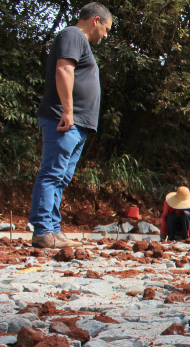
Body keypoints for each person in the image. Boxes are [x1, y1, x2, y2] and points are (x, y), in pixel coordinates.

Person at [29, 3, 113, 249]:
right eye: (106, 29)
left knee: (61, 178)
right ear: (96, 20)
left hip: (78, 124)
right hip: (64, 118)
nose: (105, 35)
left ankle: (54, 230)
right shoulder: (73, 35)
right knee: (52, 173)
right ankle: (43, 231)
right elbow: (64, 69)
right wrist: (67, 110)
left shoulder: (79, 41)